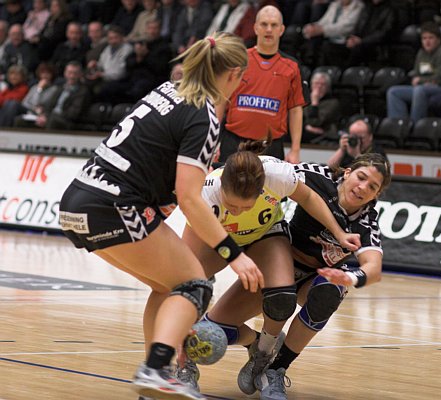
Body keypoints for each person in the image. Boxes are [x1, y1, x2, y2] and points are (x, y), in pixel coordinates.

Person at [58, 32, 254, 400]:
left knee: (168, 287)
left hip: (76, 202)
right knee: (195, 285)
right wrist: (234, 254)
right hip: (114, 204)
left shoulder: (170, 89)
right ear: (234, 73)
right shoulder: (204, 113)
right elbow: (190, 197)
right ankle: (156, 368)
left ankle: (155, 379)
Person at [177, 140, 361, 393]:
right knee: (186, 291)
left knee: (282, 298)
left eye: (247, 206)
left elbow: (308, 196)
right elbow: (184, 269)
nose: (240, 212)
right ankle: (184, 367)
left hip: (266, 234)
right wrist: (233, 258)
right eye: (233, 206)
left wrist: (339, 233)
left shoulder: (277, 175)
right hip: (218, 239)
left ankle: (263, 355)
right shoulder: (206, 193)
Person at [204, 153, 391, 400]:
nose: (363, 188)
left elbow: (373, 269)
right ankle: (256, 343)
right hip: (277, 262)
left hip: (315, 278)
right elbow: (267, 171)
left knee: (328, 292)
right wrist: (216, 170)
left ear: (377, 194)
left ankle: (275, 369)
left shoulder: (366, 222)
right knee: (214, 331)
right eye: (361, 177)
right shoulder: (315, 176)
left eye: (372, 187)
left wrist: (351, 278)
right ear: (347, 172)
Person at [218, 5, 308, 164]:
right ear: (255, 28)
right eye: (264, 24)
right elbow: (221, 100)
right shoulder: (238, 60)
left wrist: (295, 150)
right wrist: (213, 141)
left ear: (281, 30)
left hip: (271, 146)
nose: (268, 29)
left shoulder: (292, 67)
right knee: (227, 189)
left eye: (274, 25)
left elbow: (295, 110)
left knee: (269, 190)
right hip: (233, 141)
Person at [386, 22, 441, 122]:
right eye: (424, 38)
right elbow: (416, 74)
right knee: (393, 92)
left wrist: (421, 80)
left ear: (438, 40)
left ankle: (416, 127)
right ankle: (399, 126)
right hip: (424, 87)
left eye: (431, 38)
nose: (427, 42)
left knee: (419, 90)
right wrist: (423, 81)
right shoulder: (421, 53)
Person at [14, 61, 90, 130]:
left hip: (66, 121)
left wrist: (48, 117)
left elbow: (73, 114)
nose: (72, 76)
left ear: (80, 74)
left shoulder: (82, 91)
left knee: (52, 121)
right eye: (70, 73)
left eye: (75, 73)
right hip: (50, 117)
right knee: (20, 120)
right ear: (65, 73)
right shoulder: (60, 88)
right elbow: (50, 105)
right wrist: (44, 116)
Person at [302, 71, 340, 144]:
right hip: (304, 135)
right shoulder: (303, 100)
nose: (319, 87)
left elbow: (315, 122)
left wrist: (314, 103)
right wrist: (306, 127)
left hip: (324, 137)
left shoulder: (333, 103)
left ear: (328, 88)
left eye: (323, 84)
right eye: (316, 83)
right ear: (311, 85)